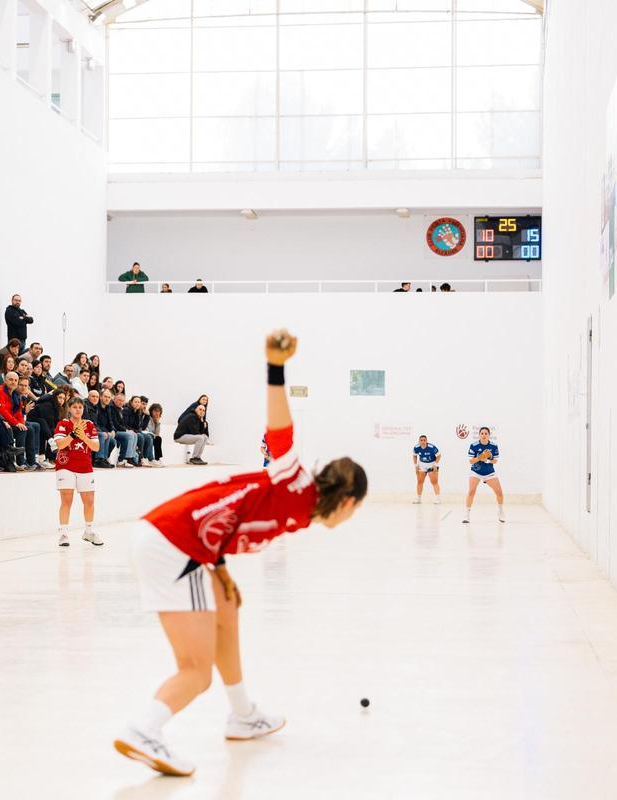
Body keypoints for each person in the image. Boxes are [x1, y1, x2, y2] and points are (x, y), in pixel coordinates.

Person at [114, 331, 367, 778]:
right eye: (357, 509)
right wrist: (275, 366)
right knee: (195, 671)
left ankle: (243, 714)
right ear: (346, 500)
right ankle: (143, 730)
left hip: (175, 540)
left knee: (227, 610)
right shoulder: (294, 479)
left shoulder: (304, 513)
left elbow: (230, 519)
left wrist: (221, 570)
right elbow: (280, 428)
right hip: (175, 543)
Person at [53, 396, 101, 547]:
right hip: (65, 465)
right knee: (66, 500)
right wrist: (73, 434)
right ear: (69, 409)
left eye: (80, 407)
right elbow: (60, 444)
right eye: (75, 407)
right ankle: (64, 534)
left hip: (85, 466)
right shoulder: (63, 424)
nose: (78, 410)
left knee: (89, 501)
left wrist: (84, 437)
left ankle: (88, 531)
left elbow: (96, 447)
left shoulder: (90, 424)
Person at [464, 427, 504, 523]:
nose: (484, 435)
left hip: (489, 472)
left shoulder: (494, 446)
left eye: (486, 433)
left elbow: (495, 461)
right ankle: (467, 514)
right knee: (471, 491)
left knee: (499, 493)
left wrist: (487, 459)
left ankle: (501, 511)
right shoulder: (473, 445)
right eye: (482, 433)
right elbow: (471, 461)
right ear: (479, 435)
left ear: (489, 435)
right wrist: (480, 457)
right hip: (476, 472)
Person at [412, 434, 441, 504]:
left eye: (424, 440)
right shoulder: (416, 447)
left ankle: (438, 498)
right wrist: (416, 466)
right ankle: (418, 498)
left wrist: (435, 465)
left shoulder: (431, 447)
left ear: (426, 441)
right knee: (419, 482)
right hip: (422, 464)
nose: (423, 442)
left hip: (432, 464)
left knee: (434, 482)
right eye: (421, 440)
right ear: (419, 441)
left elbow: (439, 455)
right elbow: (414, 456)